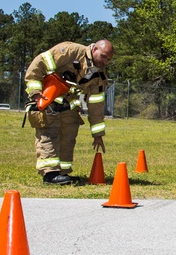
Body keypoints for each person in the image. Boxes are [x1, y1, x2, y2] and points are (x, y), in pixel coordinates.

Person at [25, 40, 113, 185]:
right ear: (95, 48)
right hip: (48, 99)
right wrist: (35, 93)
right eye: (103, 56)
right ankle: (50, 174)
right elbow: (38, 65)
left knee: (69, 136)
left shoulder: (100, 75)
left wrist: (98, 135)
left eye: (108, 59)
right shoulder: (70, 51)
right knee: (49, 134)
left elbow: (96, 105)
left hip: (68, 104)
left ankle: (63, 173)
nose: (105, 61)